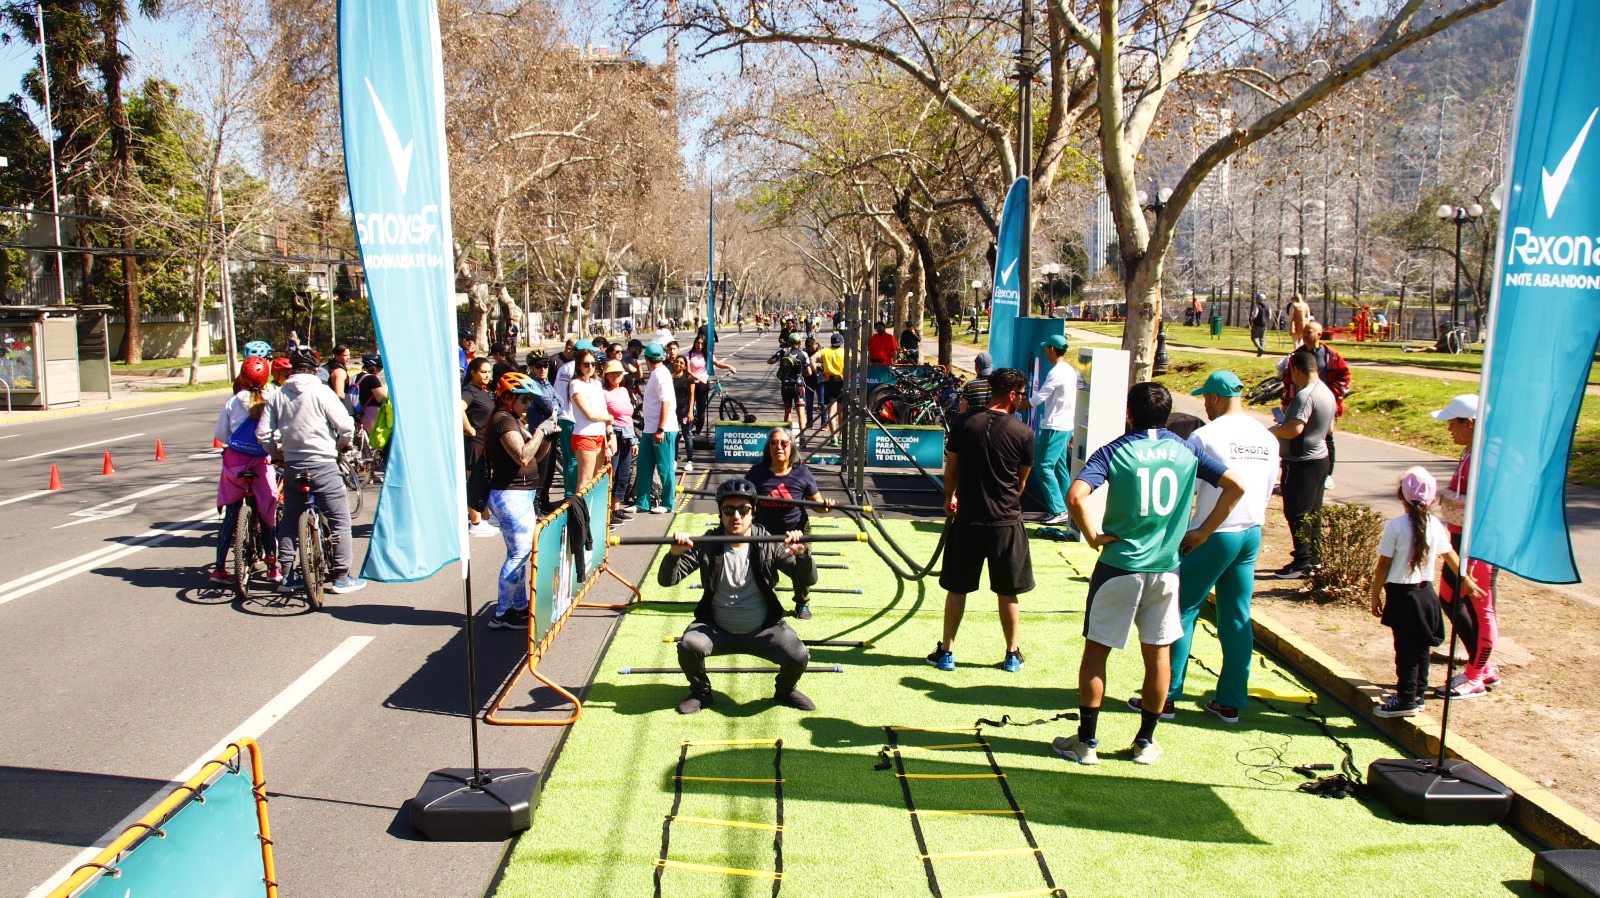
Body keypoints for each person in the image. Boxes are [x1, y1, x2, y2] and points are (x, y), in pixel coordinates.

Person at [1055, 383, 1244, 767]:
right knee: (1157, 653)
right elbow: (1235, 486)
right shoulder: (1187, 448)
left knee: (1097, 651)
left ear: (1130, 413)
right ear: (1169, 414)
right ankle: (1144, 742)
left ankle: (1087, 742)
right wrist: (1203, 531)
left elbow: (1075, 496)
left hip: (1119, 565)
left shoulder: (1115, 449)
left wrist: (1092, 535)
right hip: (1166, 567)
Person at [1164, 371, 1279, 723]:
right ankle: (1230, 700)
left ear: (1213, 398)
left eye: (1204, 398)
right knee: (1237, 616)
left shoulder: (1204, 435)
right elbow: (1270, 486)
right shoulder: (1266, 437)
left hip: (1211, 533)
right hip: (1251, 532)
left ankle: (1166, 696)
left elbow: (1187, 490)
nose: (1204, 404)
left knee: (1182, 610)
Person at [658, 478, 818, 714]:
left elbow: (808, 579)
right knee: (689, 645)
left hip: (765, 630)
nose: (736, 516)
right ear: (721, 512)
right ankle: (701, 692)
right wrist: (674, 554)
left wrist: (802, 555)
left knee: (798, 655)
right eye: (729, 510)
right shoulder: (708, 543)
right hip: (717, 629)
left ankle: (785, 690)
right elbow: (666, 580)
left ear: (753, 511)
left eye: (743, 510)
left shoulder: (768, 542)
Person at [927, 367, 1035, 674]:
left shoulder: (963, 423)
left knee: (957, 589)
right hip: (1006, 523)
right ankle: (1012, 654)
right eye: (1022, 396)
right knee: (1007, 591)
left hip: (968, 520)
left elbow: (951, 471)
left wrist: (950, 497)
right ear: (1012, 395)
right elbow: (1020, 483)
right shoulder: (1024, 433)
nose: (1022, 401)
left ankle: (947, 651)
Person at [1369, 467, 1483, 717]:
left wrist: (1375, 593)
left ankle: (1406, 699)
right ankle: (1417, 694)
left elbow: (1383, 565)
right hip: (1426, 594)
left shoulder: (1396, 526)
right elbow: (1450, 555)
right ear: (1432, 499)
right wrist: (1466, 579)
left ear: (1401, 496)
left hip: (1402, 595)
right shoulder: (1434, 524)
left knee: (1405, 648)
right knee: (1421, 647)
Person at [256, 349, 365, 595]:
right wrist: (342, 443)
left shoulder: (278, 395)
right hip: (324, 465)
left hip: (293, 465)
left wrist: (275, 453)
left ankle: (287, 574)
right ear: (316, 369)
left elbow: (263, 433)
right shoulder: (322, 392)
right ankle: (341, 576)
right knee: (339, 519)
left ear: (292, 370)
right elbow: (345, 425)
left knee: (288, 522)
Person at [1431, 394, 1501, 698]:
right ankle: (1481, 667)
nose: (1448, 429)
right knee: (1449, 599)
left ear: (1469, 424)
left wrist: (1453, 503)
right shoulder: (1469, 452)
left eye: (1452, 422)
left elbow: (1489, 504)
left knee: (1480, 607)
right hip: (1457, 540)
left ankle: (1476, 675)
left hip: (1478, 544)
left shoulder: (1488, 456)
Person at [483, 372, 560, 630]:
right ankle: (502, 613)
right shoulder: (503, 420)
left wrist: (547, 438)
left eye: (530, 400)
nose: (528, 405)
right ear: (507, 398)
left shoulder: (514, 419)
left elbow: (537, 457)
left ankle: (519, 606)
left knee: (521, 552)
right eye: (524, 399)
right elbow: (523, 456)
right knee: (519, 554)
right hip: (509, 494)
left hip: (522, 493)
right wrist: (540, 431)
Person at [745, 428, 836, 620]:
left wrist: (826, 506)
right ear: (768, 448)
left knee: (802, 566)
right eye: (774, 443)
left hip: (797, 530)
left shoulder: (802, 473)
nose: (779, 447)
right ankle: (767, 602)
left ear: (791, 448)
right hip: (765, 532)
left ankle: (802, 602)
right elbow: (745, 502)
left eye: (784, 443)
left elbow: (818, 506)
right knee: (762, 568)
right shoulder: (756, 473)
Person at [209, 356, 279, 586]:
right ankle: (272, 567)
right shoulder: (273, 398)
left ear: (242, 376)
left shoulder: (232, 402)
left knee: (231, 515)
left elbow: (221, 435)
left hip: (234, 465)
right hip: (260, 463)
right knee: (267, 513)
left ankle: (219, 568)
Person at [1269, 349, 1336, 578]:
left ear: (1296, 370)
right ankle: (1314, 558)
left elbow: (1294, 428)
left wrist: (1274, 430)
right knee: (1313, 512)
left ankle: (1302, 562)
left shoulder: (1305, 395)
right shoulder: (1327, 392)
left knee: (1297, 512)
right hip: (1320, 458)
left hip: (1301, 461)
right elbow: (1330, 428)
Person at [1280, 321, 1350, 486]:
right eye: (1303, 332)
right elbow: (1288, 380)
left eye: (1309, 332)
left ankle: (1327, 475)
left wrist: (1329, 396)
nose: (1304, 335)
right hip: (1300, 404)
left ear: (1319, 335)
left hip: (1323, 405)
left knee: (1326, 436)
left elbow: (1345, 377)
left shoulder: (1331, 356)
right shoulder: (1296, 356)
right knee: (1297, 436)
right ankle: (1294, 473)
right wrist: (1286, 403)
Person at [1016, 334, 1076, 526]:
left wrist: (1013, 405)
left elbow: (1037, 399)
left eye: (1046, 348)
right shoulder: (1069, 370)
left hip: (1054, 427)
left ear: (1051, 349)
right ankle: (1067, 507)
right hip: (1065, 426)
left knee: (1043, 466)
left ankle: (1058, 509)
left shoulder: (1056, 372)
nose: (1045, 351)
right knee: (1059, 467)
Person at [636, 343, 678, 514]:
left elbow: (665, 402)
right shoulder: (656, 373)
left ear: (646, 359)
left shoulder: (661, 375)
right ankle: (642, 502)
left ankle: (667, 503)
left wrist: (660, 428)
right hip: (650, 427)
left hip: (663, 428)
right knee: (644, 465)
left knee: (664, 467)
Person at [567, 346, 614, 492]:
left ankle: (591, 513)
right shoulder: (575, 385)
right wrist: (608, 418)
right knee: (585, 481)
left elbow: (602, 408)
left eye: (593, 364)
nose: (590, 367)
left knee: (595, 479)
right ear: (578, 366)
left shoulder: (596, 383)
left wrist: (610, 433)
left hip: (599, 434)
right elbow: (590, 414)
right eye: (586, 364)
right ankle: (579, 514)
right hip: (584, 435)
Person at [461, 357, 498, 537]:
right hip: (473, 444)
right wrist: (469, 429)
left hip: (483, 444)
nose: (487, 375)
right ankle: (475, 522)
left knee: (482, 481)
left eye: (489, 372)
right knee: (472, 483)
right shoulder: (469, 390)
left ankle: (485, 516)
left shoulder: (481, 390)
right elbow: (459, 408)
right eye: (483, 372)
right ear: (473, 372)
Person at [602, 360, 636, 525]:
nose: (616, 376)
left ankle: (616, 509)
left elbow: (628, 417)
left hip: (627, 436)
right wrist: (609, 437)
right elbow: (604, 418)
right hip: (613, 435)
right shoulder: (603, 393)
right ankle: (606, 512)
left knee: (624, 475)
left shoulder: (623, 390)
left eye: (619, 373)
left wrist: (634, 440)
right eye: (612, 373)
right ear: (606, 376)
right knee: (611, 475)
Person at [685, 334, 736, 437]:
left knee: (701, 410)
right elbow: (688, 371)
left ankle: (698, 431)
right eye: (698, 343)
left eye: (702, 344)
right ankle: (686, 431)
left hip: (703, 385)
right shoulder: (689, 355)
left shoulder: (707, 355)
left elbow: (717, 364)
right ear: (694, 343)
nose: (699, 345)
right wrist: (698, 378)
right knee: (689, 409)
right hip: (691, 384)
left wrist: (729, 366)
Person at [767, 332, 811, 431]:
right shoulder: (803, 354)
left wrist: (782, 362)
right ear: (799, 342)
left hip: (785, 385)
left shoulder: (783, 351)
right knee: (801, 412)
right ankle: (802, 435)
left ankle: (787, 434)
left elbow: (770, 361)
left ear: (789, 342)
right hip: (798, 385)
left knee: (788, 411)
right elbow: (809, 372)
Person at [818, 332, 846, 442]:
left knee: (831, 412)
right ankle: (840, 435)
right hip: (841, 381)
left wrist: (819, 371)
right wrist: (847, 375)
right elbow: (856, 362)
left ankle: (833, 437)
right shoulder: (845, 352)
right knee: (842, 411)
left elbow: (811, 359)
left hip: (829, 381)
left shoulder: (824, 351)